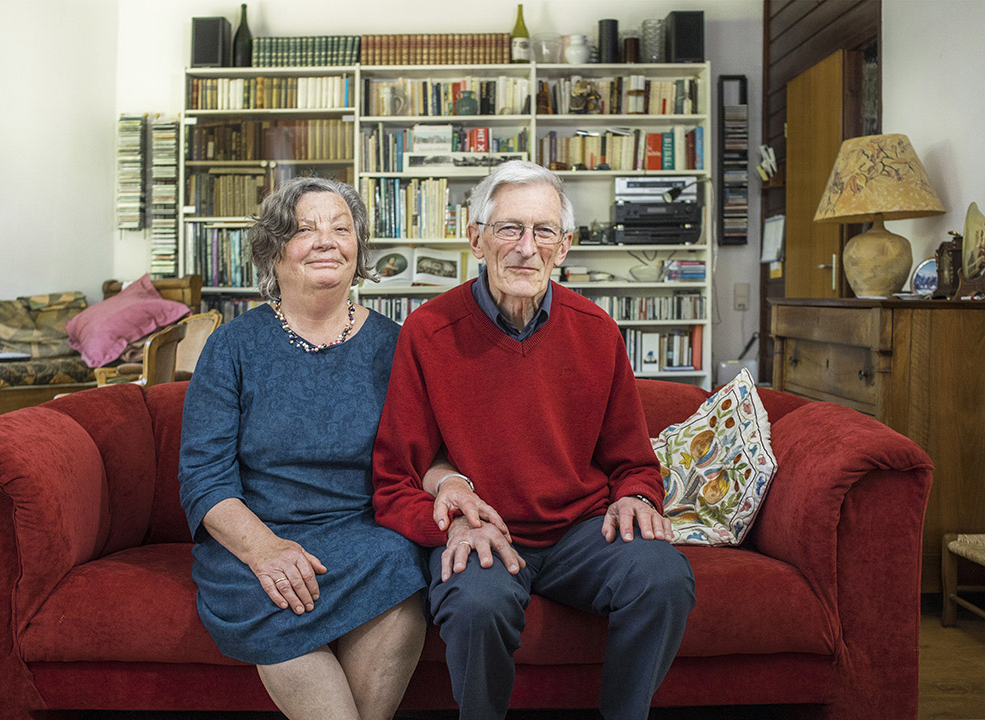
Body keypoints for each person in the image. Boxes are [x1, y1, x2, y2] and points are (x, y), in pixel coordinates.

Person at [372, 161, 696, 720]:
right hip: (485, 531)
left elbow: (633, 460)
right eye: (508, 229)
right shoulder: (427, 331)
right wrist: (446, 524)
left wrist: (638, 497)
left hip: (580, 534)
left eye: (543, 231)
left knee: (665, 577)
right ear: (475, 239)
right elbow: (395, 477)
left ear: (565, 246)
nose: (527, 247)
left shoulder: (597, 331)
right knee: (475, 603)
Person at [179, 177, 432, 720]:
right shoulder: (233, 345)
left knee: (400, 560)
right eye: (304, 229)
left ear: (358, 249)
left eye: (341, 229)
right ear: (273, 250)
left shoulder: (396, 345)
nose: (327, 241)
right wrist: (264, 550)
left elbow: (424, 455)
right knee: (272, 588)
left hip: (367, 539)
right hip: (256, 537)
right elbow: (204, 477)